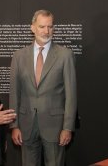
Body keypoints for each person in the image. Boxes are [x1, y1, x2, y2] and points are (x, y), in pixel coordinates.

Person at [9, 9, 77, 166]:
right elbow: (14, 94)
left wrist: (67, 127)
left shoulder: (65, 55)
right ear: (32, 27)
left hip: (55, 127)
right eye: (42, 27)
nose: (47, 31)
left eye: (50, 27)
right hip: (26, 126)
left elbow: (71, 95)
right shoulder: (19, 56)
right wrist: (14, 125)